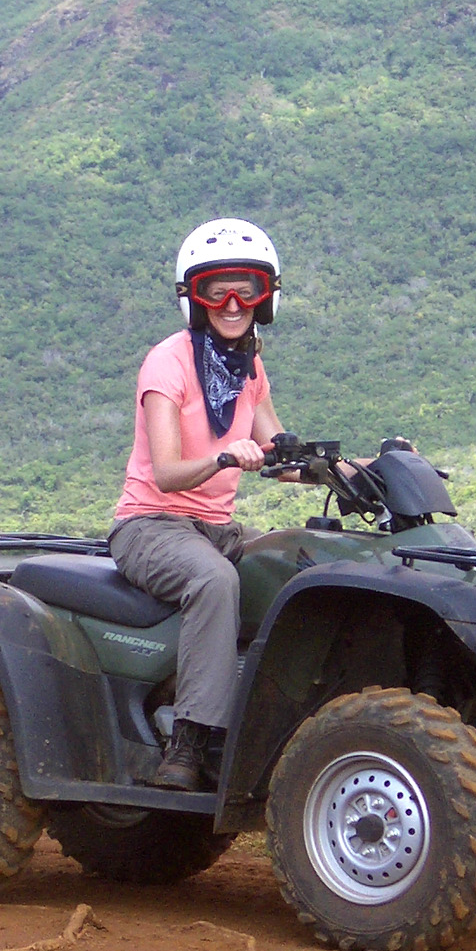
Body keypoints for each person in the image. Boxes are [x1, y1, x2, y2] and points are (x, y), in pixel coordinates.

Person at [110, 218, 312, 790]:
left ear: (266, 297)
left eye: (246, 290)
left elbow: (280, 450)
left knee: (298, 565)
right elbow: (170, 472)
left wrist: (363, 468)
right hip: (151, 524)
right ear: (192, 299)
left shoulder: (249, 365)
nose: (231, 304)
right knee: (214, 581)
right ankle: (189, 742)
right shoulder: (167, 363)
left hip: (215, 527)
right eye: (215, 291)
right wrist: (226, 457)